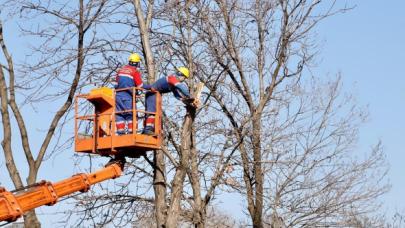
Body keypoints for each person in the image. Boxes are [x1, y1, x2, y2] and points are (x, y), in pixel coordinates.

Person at [142, 67, 196, 135]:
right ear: (181, 74)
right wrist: (189, 96)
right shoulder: (172, 78)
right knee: (152, 112)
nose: (184, 80)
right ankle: (147, 129)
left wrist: (182, 99)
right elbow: (181, 87)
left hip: (155, 95)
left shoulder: (172, 83)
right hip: (152, 94)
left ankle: (147, 129)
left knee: (155, 113)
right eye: (184, 78)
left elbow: (176, 94)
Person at [114, 53, 143, 135]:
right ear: (137, 63)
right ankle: (132, 133)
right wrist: (150, 87)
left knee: (119, 114)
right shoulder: (135, 72)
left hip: (118, 97)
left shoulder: (120, 70)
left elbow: (116, 85)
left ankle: (120, 133)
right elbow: (141, 86)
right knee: (131, 114)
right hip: (128, 97)